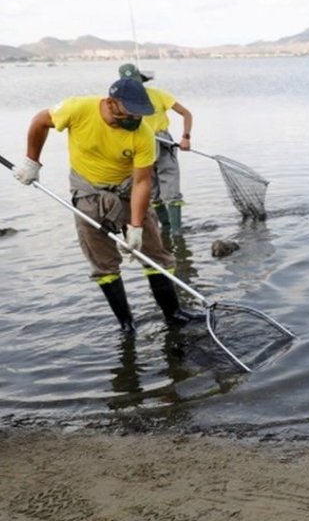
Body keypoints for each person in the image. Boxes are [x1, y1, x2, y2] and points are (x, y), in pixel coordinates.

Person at [13, 77, 201, 335]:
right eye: (130, 112)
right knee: (103, 262)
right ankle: (126, 324)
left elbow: (142, 183)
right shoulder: (78, 109)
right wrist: (32, 162)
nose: (136, 119)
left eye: (140, 113)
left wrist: (135, 226)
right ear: (111, 103)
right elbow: (39, 121)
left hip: (126, 190)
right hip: (87, 192)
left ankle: (173, 314)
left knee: (155, 253)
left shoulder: (143, 134)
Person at [118, 62, 193, 234]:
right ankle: (165, 228)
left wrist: (186, 137)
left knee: (171, 189)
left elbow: (186, 114)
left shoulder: (158, 95)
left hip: (163, 143)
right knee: (151, 191)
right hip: (139, 146)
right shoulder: (120, 102)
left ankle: (177, 233)